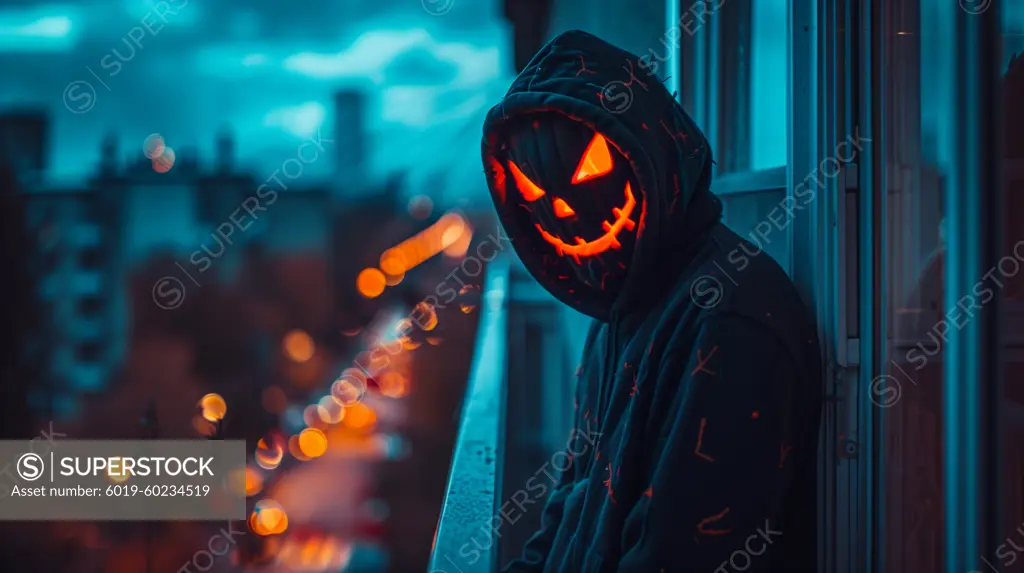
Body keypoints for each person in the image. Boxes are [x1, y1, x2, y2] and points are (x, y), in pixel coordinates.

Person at [480, 30, 822, 572]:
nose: (564, 211)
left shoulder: (727, 323)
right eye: (533, 192)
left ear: (652, 154)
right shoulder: (619, 307)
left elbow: (680, 552)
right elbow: (572, 501)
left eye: (589, 171)